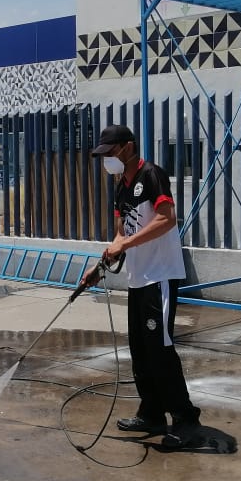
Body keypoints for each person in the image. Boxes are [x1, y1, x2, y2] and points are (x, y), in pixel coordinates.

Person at [83, 124, 202, 449]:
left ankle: (185, 418)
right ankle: (151, 412)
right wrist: (100, 265)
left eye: (110, 153)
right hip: (139, 278)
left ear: (128, 147)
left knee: (160, 349)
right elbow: (121, 234)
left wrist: (125, 244)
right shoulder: (121, 187)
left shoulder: (152, 175)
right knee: (140, 349)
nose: (107, 160)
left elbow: (166, 218)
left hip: (160, 276)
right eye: (103, 155)